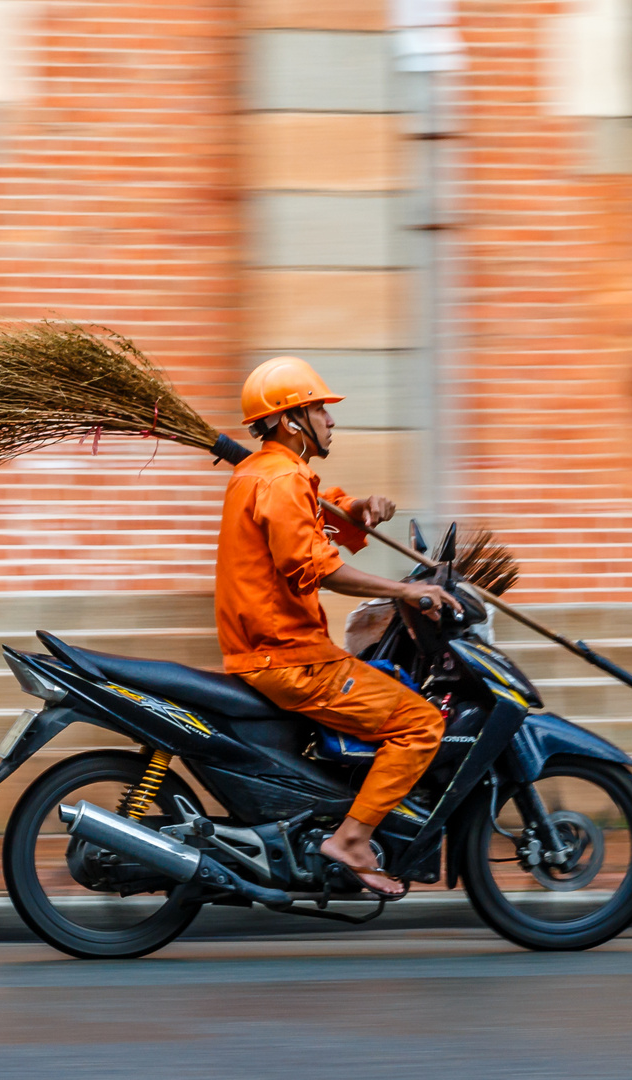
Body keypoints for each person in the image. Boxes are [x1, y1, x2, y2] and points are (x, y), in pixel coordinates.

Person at [214, 355, 461, 897]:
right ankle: (351, 839)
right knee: (420, 723)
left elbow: (316, 513)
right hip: (291, 657)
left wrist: (360, 507)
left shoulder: (266, 473)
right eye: (320, 409)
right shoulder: (279, 480)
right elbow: (316, 565)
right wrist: (405, 590)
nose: (331, 419)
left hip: (275, 651)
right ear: (290, 420)